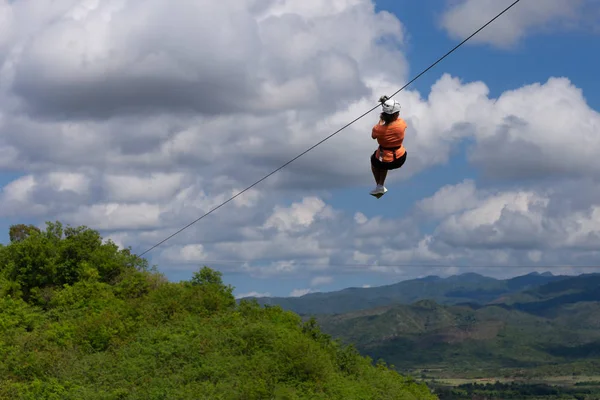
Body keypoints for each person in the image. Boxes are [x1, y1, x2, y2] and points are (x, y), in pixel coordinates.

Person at [369, 95, 407, 197]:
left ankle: (379, 185)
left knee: (376, 160)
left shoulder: (378, 129)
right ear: (395, 115)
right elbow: (393, 119)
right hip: (400, 158)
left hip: (384, 160)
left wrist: (382, 117)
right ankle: (380, 187)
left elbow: (373, 136)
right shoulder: (401, 124)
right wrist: (387, 106)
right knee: (383, 159)